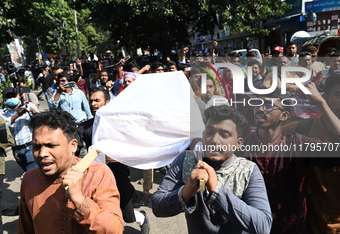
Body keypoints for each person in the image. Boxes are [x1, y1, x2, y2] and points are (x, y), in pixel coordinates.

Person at [152, 105, 272, 234]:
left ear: (239, 143)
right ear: (203, 136)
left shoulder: (248, 170)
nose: (214, 140)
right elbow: (158, 207)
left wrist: (217, 190)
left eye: (224, 135)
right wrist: (186, 192)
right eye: (209, 133)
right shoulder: (187, 160)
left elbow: (263, 226)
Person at [240, 89, 340, 234]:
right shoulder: (241, 147)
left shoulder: (298, 143)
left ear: (284, 115)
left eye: (268, 105)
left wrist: (321, 103)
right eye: (257, 103)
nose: (260, 108)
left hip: (292, 228)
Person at [17, 110, 123, 234]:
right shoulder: (30, 179)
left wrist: (80, 199)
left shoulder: (97, 174)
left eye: (51, 145)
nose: (42, 154)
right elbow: (25, 228)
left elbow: (114, 230)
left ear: (73, 146)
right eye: (36, 146)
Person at [76, 88, 150, 234]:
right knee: (99, 213)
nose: (93, 104)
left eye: (97, 100)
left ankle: (142, 218)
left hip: (118, 173)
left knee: (127, 215)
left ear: (107, 102)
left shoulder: (118, 125)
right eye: (91, 101)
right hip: (95, 175)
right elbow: (76, 151)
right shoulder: (84, 127)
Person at [282, 74, 340, 234]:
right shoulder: (299, 129)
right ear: (326, 96)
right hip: (309, 225)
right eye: (339, 94)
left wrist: (320, 103)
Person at [1, 87, 39, 172]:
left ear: (19, 95)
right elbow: (4, 124)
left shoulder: (29, 105)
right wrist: (18, 115)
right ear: (4, 98)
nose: (11, 99)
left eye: (13, 96)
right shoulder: (2, 112)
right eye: (8, 97)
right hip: (16, 148)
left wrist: (33, 111)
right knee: (25, 169)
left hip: (29, 146)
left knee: (32, 172)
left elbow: (41, 120)